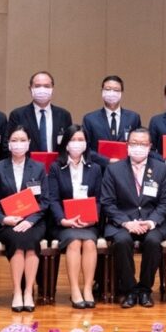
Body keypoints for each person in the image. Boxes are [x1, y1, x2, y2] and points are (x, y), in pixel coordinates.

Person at [101, 127, 166, 308]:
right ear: (127, 146)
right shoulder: (113, 170)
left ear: (150, 146)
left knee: (154, 242)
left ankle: (145, 290)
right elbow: (107, 202)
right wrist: (126, 222)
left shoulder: (161, 169)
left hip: (151, 222)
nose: (138, 147)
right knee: (122, 242)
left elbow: (165, 202)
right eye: (134, 143)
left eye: (142, 144)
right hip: (123, 223)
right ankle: (130, 289)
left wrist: (151, 221)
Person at [0, 123, 46, 312]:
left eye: (22, 140)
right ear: (8, 144)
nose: (18, 144)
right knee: (18, 240)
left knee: (30, 239)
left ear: (29, 143)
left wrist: (30, 220)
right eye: (14, 140)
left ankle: (28, 291)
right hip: (7, 223)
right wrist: (4, 219)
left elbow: (45, 201)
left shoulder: (38, 168)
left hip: (33, 221)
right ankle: (17, 291)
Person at [46, 125, 104, 308]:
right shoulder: (56, 167)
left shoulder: (94, 168)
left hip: (88, 222)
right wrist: (63, 220)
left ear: (87, 144)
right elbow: (53, 199)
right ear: (65, 144)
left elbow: (100, 199)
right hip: (64, 223)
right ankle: (74, 290)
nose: (77, 144)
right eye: (73, 140)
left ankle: (87, 288)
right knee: (74, 242)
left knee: (88, 243)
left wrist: (93, 217)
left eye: (81, 140)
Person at [7, 70, 71, 154]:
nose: (42, 89)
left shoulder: (64, 115)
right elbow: (8, 145)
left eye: (47, 86)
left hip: (56, 165)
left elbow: (69, 144)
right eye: (37, 86)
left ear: (52, 89)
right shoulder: (18, 115)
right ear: (30, 89)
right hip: (28, 165)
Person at [83, 75, 141, 157]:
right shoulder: (90, 119)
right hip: (100, 167)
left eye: (116, 90)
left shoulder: (133, 117)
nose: (111, 93)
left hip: (126, 166)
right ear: (102, 91)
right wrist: (107, 161)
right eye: (107, 89)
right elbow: (86, 148)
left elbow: (138, 144)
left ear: (121, 93)